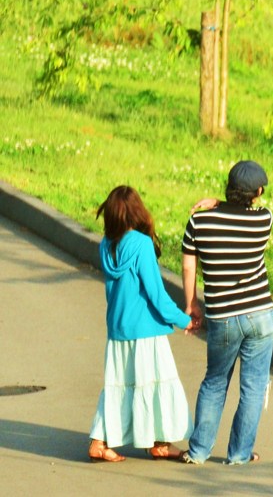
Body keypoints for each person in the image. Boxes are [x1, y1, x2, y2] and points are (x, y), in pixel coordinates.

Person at [89, 185, 196, 463]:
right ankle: (158, 443)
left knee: (118, 386)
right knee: (154, 385)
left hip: (117, 329)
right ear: (137, 210)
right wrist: (184, 320)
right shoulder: (141, 244)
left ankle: (100, 441)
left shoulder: (105, 245)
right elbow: (157, 295)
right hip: (145, 331)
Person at [179, 160, 273, 465]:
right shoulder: (263, 221)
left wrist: (191, 302)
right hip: (259, 312)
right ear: (257, 193)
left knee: (215, 381)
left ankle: (198, 451)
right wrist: (222, 203)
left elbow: (188, 263)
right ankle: (239, 454)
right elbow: (246, 210)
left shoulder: (200, 223)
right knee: (253, 385)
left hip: (222, 315)